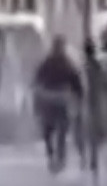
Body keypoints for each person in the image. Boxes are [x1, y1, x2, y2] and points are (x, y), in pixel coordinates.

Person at [33, 35, 84, 173]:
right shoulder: (63, 63)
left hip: (54, 100)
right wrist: (78, 96)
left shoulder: (52, 63)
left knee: (53, 131)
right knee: (56, 131)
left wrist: (78, 96)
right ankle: (56, 158)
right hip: (56, 100)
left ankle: (56, 158)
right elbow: (76, 83)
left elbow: (37, 81)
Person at [77, 36, 107, 167]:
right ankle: (93, 156)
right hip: (96, 99)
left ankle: (85, 157)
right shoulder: (97, 65)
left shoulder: (82, 66)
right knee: (94, 128)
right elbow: (105, 81)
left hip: (85, 100)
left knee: (83, 129)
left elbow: (77, 83)